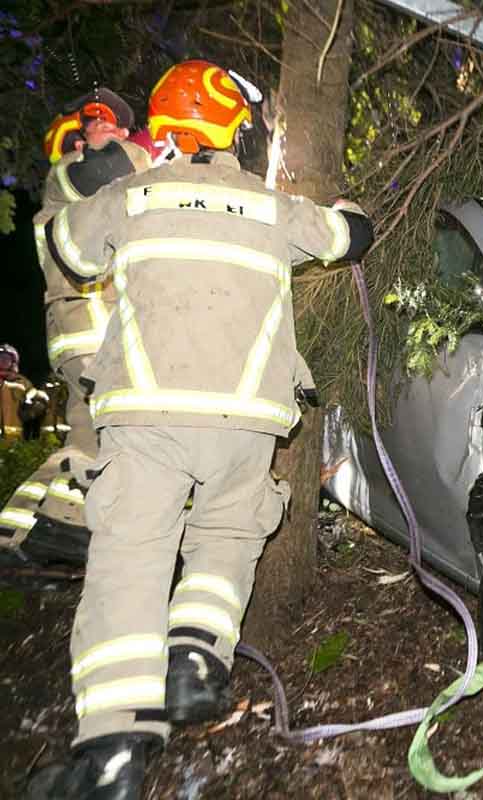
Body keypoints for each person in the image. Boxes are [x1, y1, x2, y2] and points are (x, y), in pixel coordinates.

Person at [28, 59, 373, 799]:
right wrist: (350, 212)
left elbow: (64, 250)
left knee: (129, 562)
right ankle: (193, 661)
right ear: (238, 134)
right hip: (248, 422)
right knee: (226, 535)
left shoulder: (132, 195)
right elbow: (351, 236)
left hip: (145, 418)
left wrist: (97, 172)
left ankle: (114, 754)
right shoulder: (272, 207)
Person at [0, 90, 152, 565]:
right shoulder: (70, 172)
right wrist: (158, 145)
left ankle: (17, 536)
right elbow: (117, 168)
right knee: (119, 424)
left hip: (91, 323)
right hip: (86, 320)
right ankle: (66, 529)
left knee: (85, 438)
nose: (108, 133)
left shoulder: (104, 186)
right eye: (99, 124)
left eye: (115, 126)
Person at [0, 345, 47, 444]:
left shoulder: (22, 382)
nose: (3, 360)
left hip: (15, 439)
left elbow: (34, 397)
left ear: (13, 362)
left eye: (6, 358)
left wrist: (34, 406)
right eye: (0, 357)